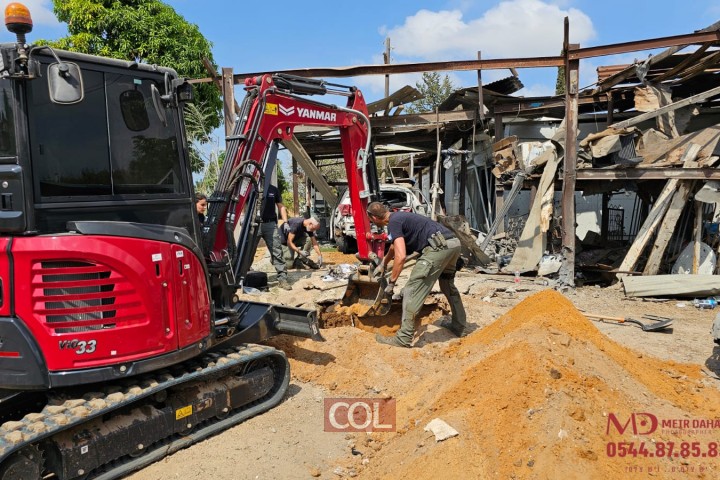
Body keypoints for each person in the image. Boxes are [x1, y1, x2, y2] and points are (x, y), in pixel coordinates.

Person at [366, 201, 467, 347]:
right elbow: (394, 246)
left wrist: (392, 284)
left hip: (437, 249)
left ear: (374, 218)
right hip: (453, 244)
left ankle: (404, 338)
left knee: (411, 290)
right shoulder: (399, 217)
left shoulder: (393, 222)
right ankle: (460, 327)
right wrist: (384, 263)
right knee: (447, 285)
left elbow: (400, 257)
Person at [256, 183, 292, 290]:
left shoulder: (273, 189)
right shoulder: (251, 187)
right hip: (254, 224)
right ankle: (244, 277)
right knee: (248, 252)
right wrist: (243, 216)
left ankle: (282, 279)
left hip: (270, 224)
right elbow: (245, 204)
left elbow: (280, 206)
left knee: (277, 250)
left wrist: (285, 222)